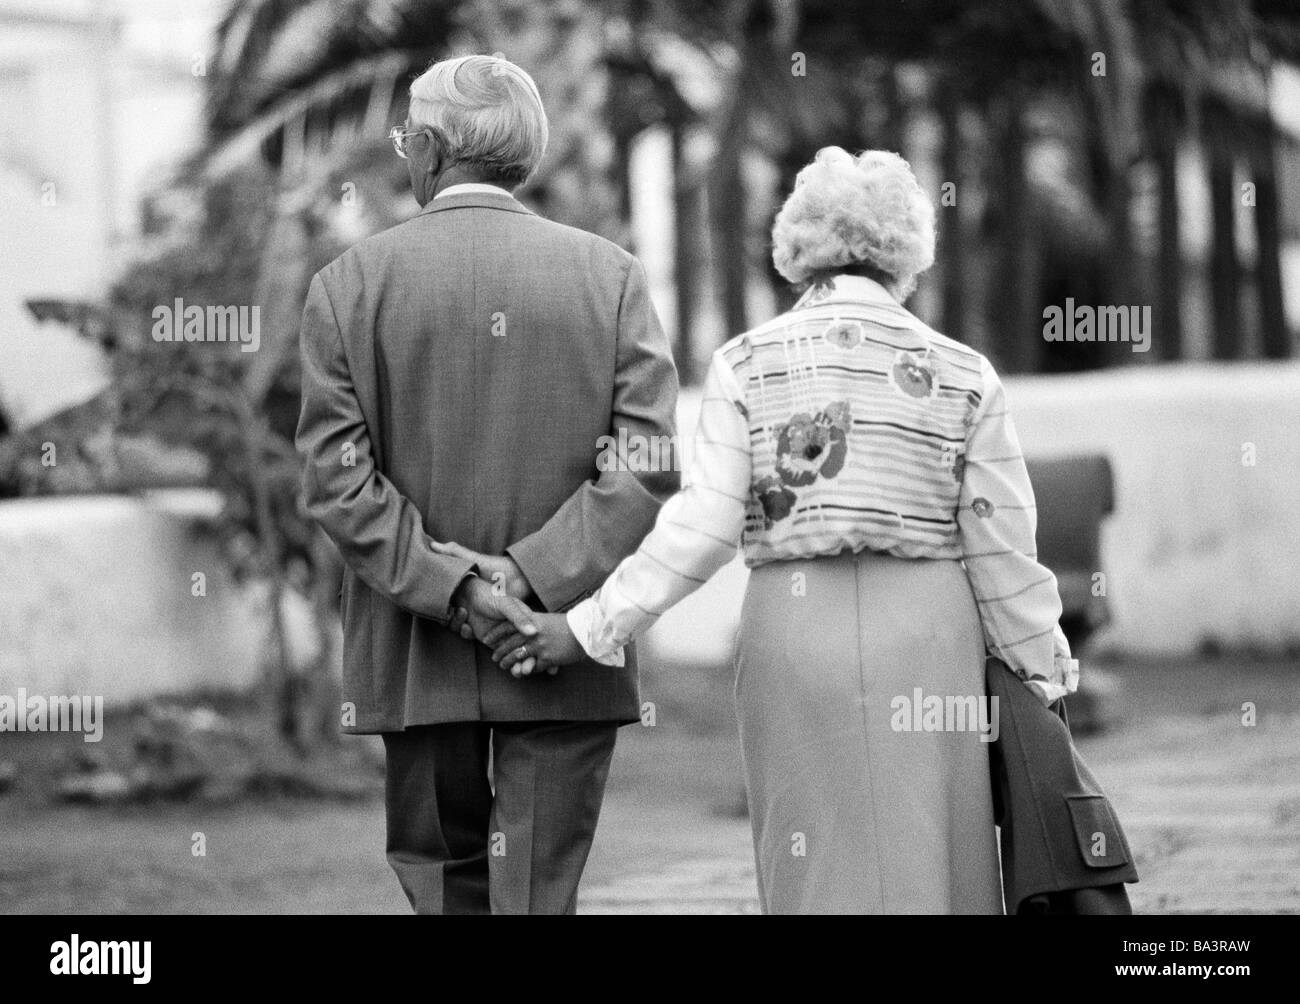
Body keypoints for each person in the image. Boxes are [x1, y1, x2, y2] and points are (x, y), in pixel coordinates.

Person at [462, 146, 1079, 914]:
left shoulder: (744, 363)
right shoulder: (962, 372)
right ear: (908, 254)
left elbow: (702, 524)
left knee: (810, 857)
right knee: (934, 853)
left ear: (796, 250)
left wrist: (590, 626)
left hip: (793, 630)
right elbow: (1002, 545)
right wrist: (1040, 670)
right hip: (929, 635)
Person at [296, 54, 679, 915]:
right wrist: (528, 576)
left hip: (417, 649)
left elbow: (335, 476)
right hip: (559, 635)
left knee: (443, 890)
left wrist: (459, 587)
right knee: (541, 894)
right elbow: (649, 457)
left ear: (428, 148)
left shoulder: (348, 287)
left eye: (405, 140)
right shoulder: (608, 275)